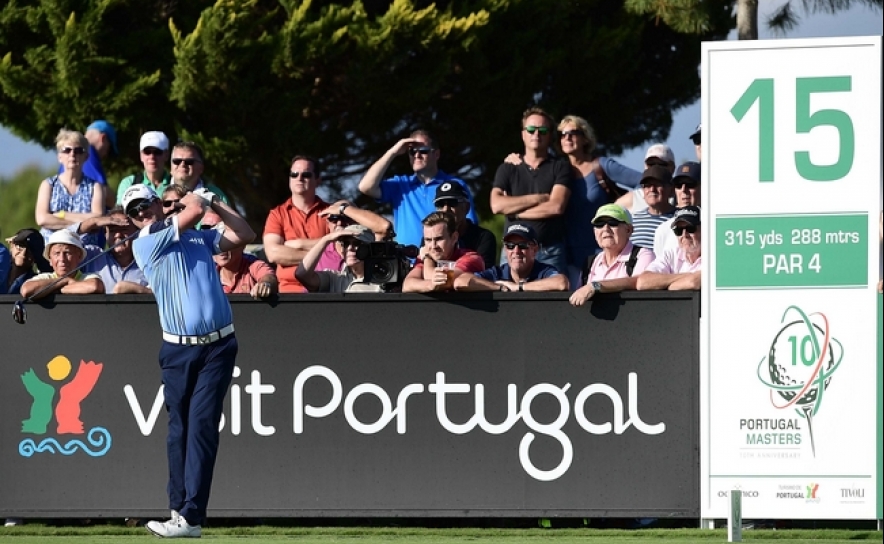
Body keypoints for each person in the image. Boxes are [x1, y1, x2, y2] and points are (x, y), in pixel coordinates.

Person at [121, 182, 255, 539]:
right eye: (134, 211)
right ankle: (178, 508)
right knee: (179, 430)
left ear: (160, 205)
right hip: (178, 350)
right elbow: (193, 209)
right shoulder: (146, 240)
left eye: (146, 205)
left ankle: (191, 516)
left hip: (219, 346)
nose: (142, 213)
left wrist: (217, 201)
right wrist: (198, 198)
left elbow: (244, 233)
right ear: (131, 220)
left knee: (202, 427)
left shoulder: (198, 237)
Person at [357, 129, 478, 248]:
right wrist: (393, 152)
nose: (417, 155)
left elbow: (468, 227)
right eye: (412, 152)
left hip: (441, 262)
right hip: (405, 263)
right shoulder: (400, 184)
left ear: (436, 154)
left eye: (423, 151)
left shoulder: (454, 185)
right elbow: (366, 187)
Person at [491, 107, 572, 273]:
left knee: (554, 299)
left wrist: (515, 212)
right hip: (513, 252)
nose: (536, 134)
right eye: (531, 129)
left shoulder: (560, 166)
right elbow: (497, 205)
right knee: (509, 298)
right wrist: (538, 198)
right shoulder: (508, 168)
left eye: (543, 130)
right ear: (523, 134)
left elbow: (556, 206)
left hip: (550, 252)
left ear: (550, 135)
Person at [263, 155, 332, 293]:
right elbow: (273, 254)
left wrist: (298, 244)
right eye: (294, 174)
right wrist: (322, 253)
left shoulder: (331, 213)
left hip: (324, 290)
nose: (299, 178)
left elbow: (338, 249)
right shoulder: (277, 214)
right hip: (288, 293)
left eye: (306, 174)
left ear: (318, 180)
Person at [569, 204, 654, 306]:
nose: (606, 229)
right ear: (594, 231)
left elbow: (640, 282)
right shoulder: (590, 263)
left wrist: (595, 286)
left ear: (629, 230)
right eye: (599, 224)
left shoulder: (643, 255)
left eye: (613, 223)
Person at [35, 129, 104, 248]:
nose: (72, 154)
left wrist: (61, 215)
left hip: (85, 254)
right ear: (59, 157)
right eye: (67, 150)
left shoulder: (95, 187)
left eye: (78, 150)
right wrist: (84, 224)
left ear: (86, 156)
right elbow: (42, 219)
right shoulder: (48, 185)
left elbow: (98, 218)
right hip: (51, 253)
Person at [455, 223, 568, 292]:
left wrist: (519, 287)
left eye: (523, 245)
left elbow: (561, 283)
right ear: (505, 250)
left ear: (534, 249)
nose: (516, 251)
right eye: (510, 246)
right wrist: (499, 288)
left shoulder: (543, 271)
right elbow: (461, 282)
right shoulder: (497, 273)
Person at [69, 207, 151, 294]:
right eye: (112, 231)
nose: (118, 235)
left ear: (137, 232)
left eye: (124, 230)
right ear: (105, 235)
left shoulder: (149, 261)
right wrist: (93, 222)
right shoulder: (92, 256)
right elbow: (61, 240)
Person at [201, 210, 278, 299]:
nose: (220, 248)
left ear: (243, 244)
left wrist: (265, 284)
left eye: (227, 242)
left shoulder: (252, 265)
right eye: (214, 243)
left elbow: (269, 277)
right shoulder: (206, 272)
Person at [402, 211, 484, 293]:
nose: (433, 246)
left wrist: (427, 259)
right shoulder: (426, 256)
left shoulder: (472, 258)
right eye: (428, 240)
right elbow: (407, 285)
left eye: (439, 239)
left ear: (454, 237)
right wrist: (430, 285)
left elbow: (445, 281)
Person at [296, 224, 386, 293]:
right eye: (346, 244)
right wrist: (326, 239)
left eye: (357, 243)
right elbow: (302, 274)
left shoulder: (383, 281)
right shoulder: (334, 278)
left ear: (370, 249)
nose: (350, 248)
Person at [19, 230, 104, 299]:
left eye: (67, 253)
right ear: (50, 260)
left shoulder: (87, 277)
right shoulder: (45, 277)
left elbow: (95, 286)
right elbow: (26, 290)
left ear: (79, 257)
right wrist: (64, 281)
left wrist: (55, 289)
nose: (62, 259)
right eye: (57, 253)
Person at [637, 206, 702, 291]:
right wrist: (688, 276)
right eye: (678, 230)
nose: (684, 235)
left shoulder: (715, 255)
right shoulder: (671, 254)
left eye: (690, 228)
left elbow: (693, 282)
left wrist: (665, 284)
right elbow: (643, 282)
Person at [434, 182, 496, 269]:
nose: (445, 209)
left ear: (466, 207)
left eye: (452, 203)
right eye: (440, 204)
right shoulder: (431, 238)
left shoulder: (483, 237)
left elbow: (483, 275)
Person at [59, 120, 118, 208]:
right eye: (109, 148)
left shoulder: (68, 157)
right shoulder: (88, 152)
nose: (106, 154)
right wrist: (120, 207)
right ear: (103, 138)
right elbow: (103, 191)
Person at [653, 161, 701, 257]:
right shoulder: (663, 229)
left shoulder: (713, 224)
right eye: (678, 185)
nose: (683, 189)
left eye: (690, 184)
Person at [615, 143, 676, 216]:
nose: (655, 169)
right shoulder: (632, 199)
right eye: (651, 164)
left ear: (672, 167)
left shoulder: (683, 194)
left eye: (661, 164)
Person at [115, 131, 173, 205]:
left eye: (157, 152)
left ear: (166, 155)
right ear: (141, 155)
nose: (152, 157)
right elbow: (120, 214)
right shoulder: (128, 183)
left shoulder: (175, 183)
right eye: (147, 152)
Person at [629, 165, 675, 249]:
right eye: (647, 185)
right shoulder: (633, 220)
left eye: (658, 184)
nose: (652, 189)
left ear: (671, 190)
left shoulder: (681, 218)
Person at [2, 228, 52, 294]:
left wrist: (40, 257)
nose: (24, 253)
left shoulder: (35, 282)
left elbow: (52, 274)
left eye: (30, 250)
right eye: (20, 246)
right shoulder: (2, 269)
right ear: (11, 246)